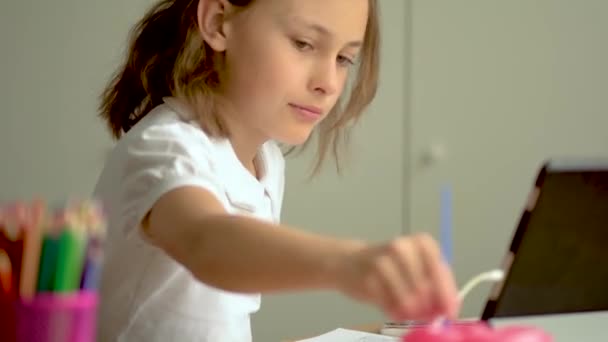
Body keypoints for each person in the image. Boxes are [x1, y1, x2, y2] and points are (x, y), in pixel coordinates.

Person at [93, 0, 461, 340]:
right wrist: (347, 263)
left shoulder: (266, 161)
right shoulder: (166, 147)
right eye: (304, 44)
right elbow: (205, 241)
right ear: (219, 23)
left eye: (344, 59)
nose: (328, 83)